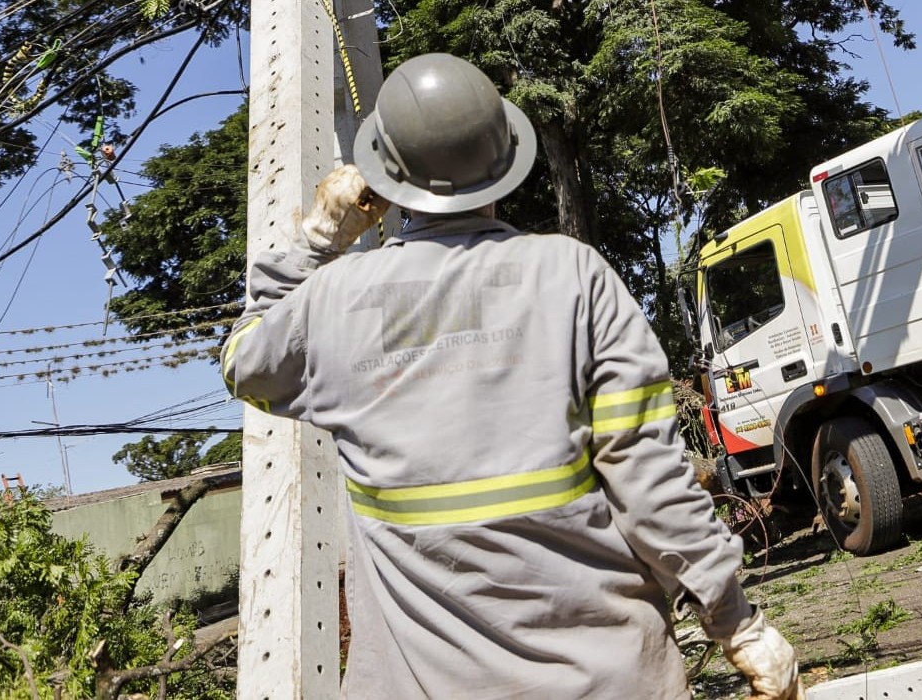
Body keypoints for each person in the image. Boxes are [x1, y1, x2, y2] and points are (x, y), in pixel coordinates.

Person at [220, 53, 800, 699]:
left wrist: (320, 239)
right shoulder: (572, 275)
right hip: (608, 677)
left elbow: (244, 364)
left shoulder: (333, 300)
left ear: (387, 179)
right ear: (504, 162)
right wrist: (736, 624)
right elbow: (647, 475)